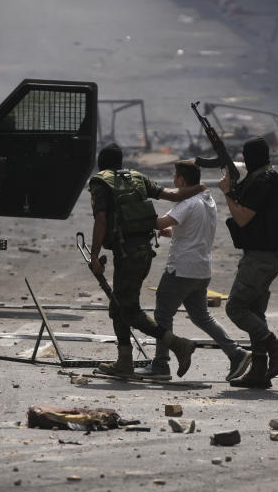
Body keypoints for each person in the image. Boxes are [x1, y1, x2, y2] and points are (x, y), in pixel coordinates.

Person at [88, 143, 203, 378]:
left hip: (126, 253)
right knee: (118, 306)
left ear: (101, 164)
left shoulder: (100, 182)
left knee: (127, 309)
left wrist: (94, 256)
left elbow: (101, 220)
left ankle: (178, 344)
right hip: (143, 253)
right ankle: (124, 361)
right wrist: (200, 186)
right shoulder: (137, 178)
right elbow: (173, 195)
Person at [135, 160, 252, 382]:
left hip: (182, 269)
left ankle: (160, 365)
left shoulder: (186, 202)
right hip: (201, 270)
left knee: (162, 315)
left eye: (175, 176)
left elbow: (160, 223)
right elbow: (188, 228)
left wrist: (137, 211)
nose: (173, 180)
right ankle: (236, 353)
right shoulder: (207, 201)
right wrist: (172, 231)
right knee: (201, 317)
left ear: (181, 180)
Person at [218, 137, 278, 389]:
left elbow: (241, 218)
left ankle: (277, 347)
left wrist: (227, 192)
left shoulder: (262, 182)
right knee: (255, 312)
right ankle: (259, 371)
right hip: (268, 255)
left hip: (260, 258)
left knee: (236, 308)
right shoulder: (269, 177)